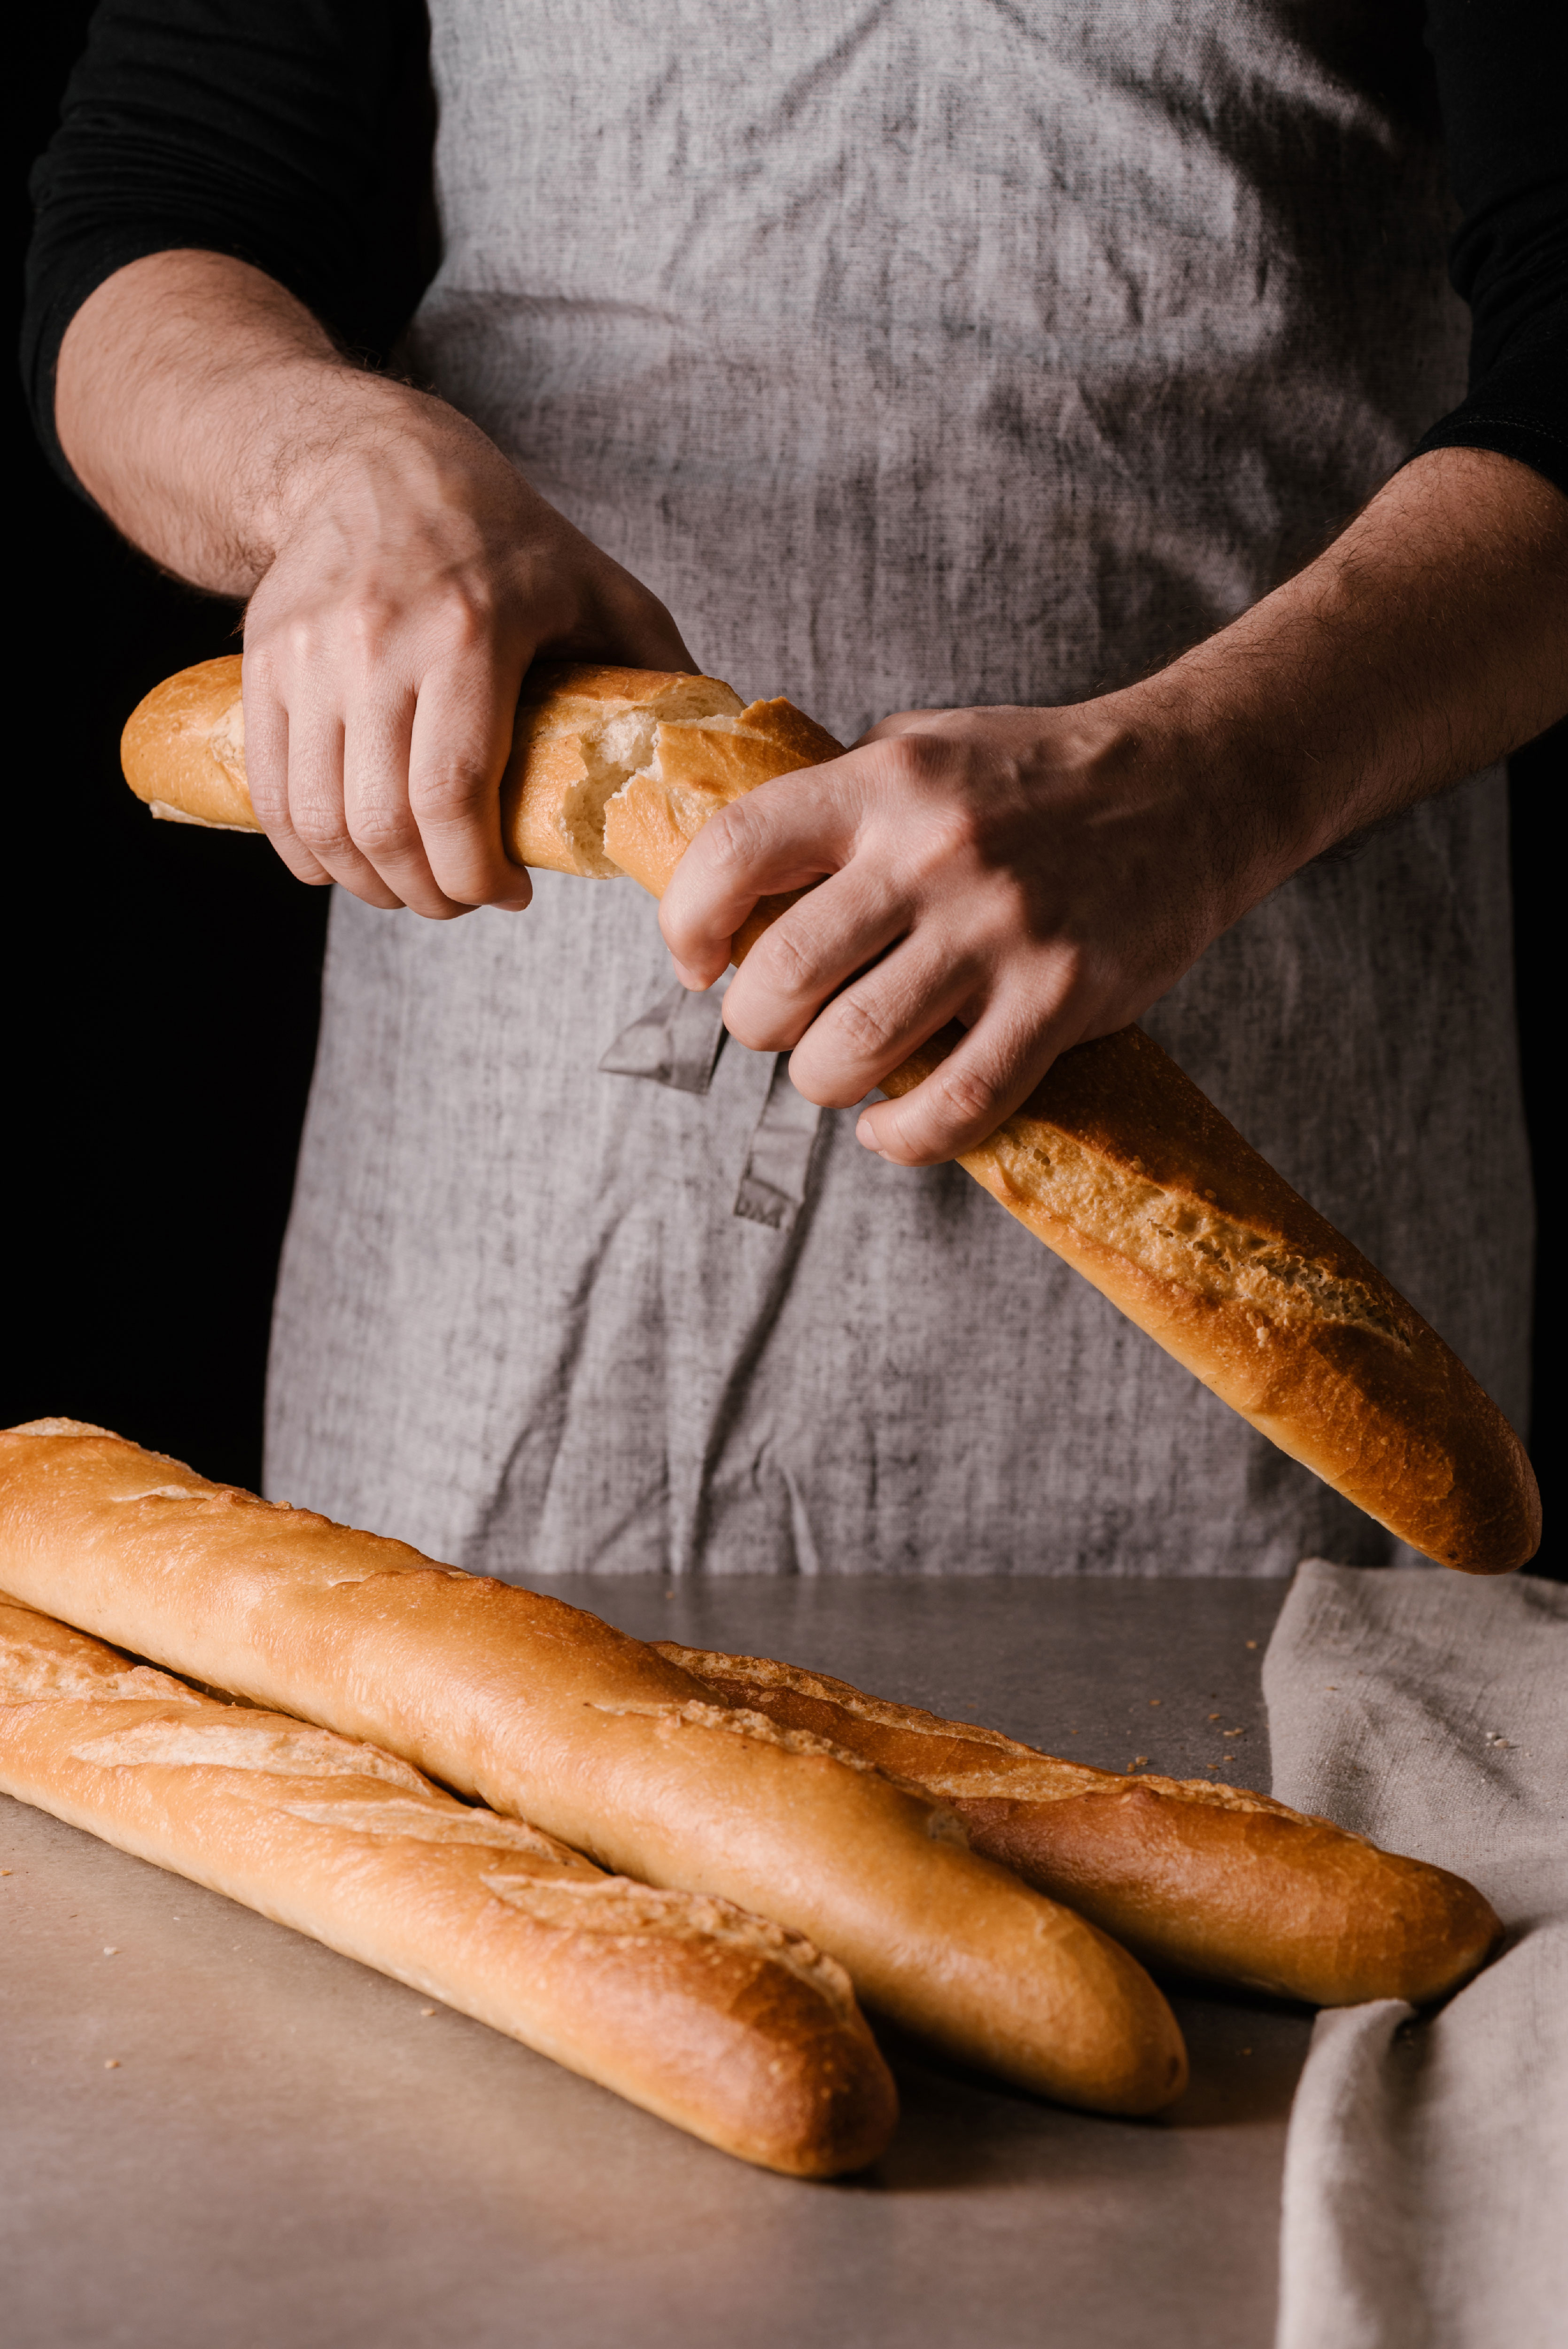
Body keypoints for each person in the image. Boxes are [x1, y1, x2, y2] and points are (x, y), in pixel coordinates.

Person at [24, 1, 1568, 1578]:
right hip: (525, 1169)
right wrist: (330, 468)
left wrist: (1203, 784)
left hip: (1252, 1059)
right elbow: (157, 202)